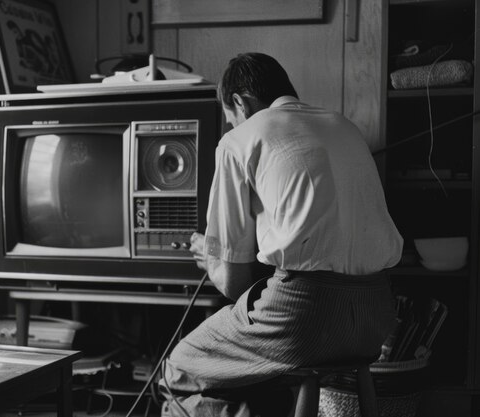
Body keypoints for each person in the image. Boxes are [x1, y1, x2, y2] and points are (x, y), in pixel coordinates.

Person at [159, 52, 403, 417]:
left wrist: (210, 259)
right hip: (375, 318)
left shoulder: (240, 140)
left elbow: (233, 284)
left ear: (240, 102)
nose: (231, 127)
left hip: (305, 318)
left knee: (179, 368)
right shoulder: (343, 125)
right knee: (252, 374)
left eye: (230, 119)